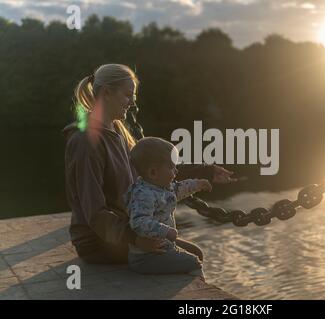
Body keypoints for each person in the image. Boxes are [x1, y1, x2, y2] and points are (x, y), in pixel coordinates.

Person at [63, 63, 235, 264]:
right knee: (192, 258)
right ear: (108, 93)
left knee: (195, 252)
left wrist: (206, 171)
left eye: (133, 98)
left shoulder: (117, 131)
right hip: (98, 242)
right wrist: (135, 239)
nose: (131, 103)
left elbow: (153, 172)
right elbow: (93, 211)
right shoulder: (85, 141)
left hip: (126, 231)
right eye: (127, 96)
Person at [126, 137, 212, 276]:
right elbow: (139, 222)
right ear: (153, 172)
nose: (176, 171)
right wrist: (165, 231)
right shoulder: (144, 194)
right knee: (194, 262)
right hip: (146, 256)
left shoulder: (161, 187)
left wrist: (197, 184)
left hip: (162, 247)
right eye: (171, 167)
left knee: (196, 253)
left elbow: (178, 189)